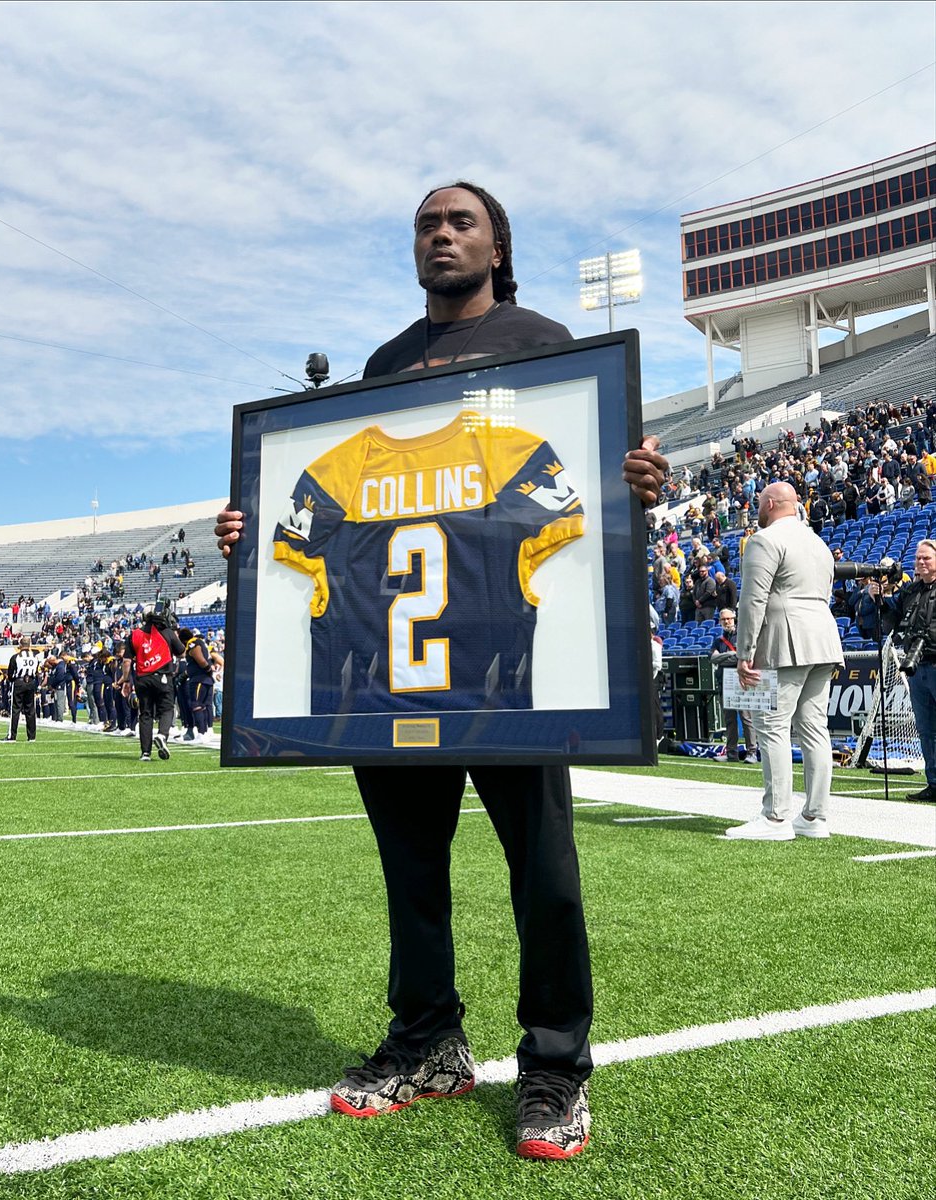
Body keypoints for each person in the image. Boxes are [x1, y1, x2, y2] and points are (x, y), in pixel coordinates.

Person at [215, 181, 667, 1160]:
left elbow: (591, 486)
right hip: (385, 680)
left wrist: (631, 484)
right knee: (409, 873)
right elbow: (313, 515)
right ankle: (427, 1040)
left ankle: (555, 1063)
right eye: (426, 223)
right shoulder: (383, 369)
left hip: (505, 679)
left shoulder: (546, 345)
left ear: (498, 244)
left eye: (460, 221)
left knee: (542, 872)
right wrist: (248, 537)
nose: (440, 235)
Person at [726, 482, 843, 840]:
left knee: (772, 726)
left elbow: (752, 600)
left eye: (759, 504)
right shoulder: (818, 543)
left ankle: (775, 817)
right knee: (814, 728)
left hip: (784, 640)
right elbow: (824, 593)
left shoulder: (764, 540)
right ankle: (815, 816)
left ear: (771, 503)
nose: (757, 510)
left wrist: (744, 652)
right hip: (823, 639)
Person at [878, 540, 936, 801]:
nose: (921, 562)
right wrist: (878, 598)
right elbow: (891, 620)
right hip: (917, 667)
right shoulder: (910, 590)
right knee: (926, 729)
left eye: (927, 558)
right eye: (918, 559)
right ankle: (933, 783)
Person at [119, 611, 184, 762]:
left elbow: (127, 661)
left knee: (145, 714)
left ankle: (145, 753)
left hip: (142, 679)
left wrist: (127, 681)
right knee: (167, 709)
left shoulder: (135, 634)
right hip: (162, 676)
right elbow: (181, 652)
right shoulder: (167, 632)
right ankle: (162, 735)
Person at [710, 610, 756, 763]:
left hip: (741, 681)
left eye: (729, 618)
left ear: (734, 619)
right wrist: (731, 655)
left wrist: (727, 657)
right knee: (729, 720)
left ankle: (752, 752)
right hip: (725, 683)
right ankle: (731, 753)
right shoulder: (718, 640)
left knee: (746, 718)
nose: (726, 621)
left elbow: (742, 658)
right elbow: (713, 659)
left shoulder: (742, 636)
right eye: (723, 619)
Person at [2, 636, 41, 743]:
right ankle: (31, 736)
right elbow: (37, 671)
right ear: (29, 645)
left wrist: (12, 679)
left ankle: (12, 736)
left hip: (19, 682)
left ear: (20, 645)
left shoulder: (16, 657)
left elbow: (10, 673)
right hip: (31, 682)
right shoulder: (35, 657)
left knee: (15, 709)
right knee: (30, 709)